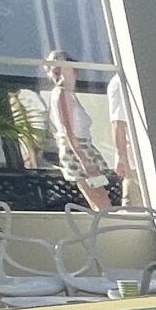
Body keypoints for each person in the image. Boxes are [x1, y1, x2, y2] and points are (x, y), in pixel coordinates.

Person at [42, 53, 111, 212]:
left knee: (101, 199)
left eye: (63, 69)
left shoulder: (68, 93)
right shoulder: (60, 93)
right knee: (100, 203)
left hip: (84, 147)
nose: (60, 75)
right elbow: (68, 131)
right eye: (56, 71)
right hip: (76, 150)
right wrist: (84, 160)